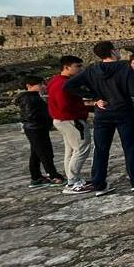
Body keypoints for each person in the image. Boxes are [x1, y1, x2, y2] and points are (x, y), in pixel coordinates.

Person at [64, 40, 134, 196]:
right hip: (124, 111)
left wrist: (94, 97)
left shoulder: (92, 70)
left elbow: (68, 86)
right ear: (113, 51)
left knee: (100, 149)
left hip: (102, 113)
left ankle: (99, 185)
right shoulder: (124, 68)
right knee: (130, 147)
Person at [47, 55, 93, 194]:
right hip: (71, 120)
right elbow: (64, 105)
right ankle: (73, 182)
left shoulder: (55, 80)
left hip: (62, 120)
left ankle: (73, 179)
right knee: (81, 149)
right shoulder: (63, 84)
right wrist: (83, 111)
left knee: (71, 151)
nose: (80, 69)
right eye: (77, 66)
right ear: (66, 67)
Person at [17, 75, 64, 189]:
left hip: (37, 128)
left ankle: (36, 177)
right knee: (45, 153)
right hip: (36, 128)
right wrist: (45, 118)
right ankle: (53, 176)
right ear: (29, 86)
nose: (43, 86)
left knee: (36, 153)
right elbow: (30, 115)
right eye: (39, 84)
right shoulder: (29, 98)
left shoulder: (33, 97)